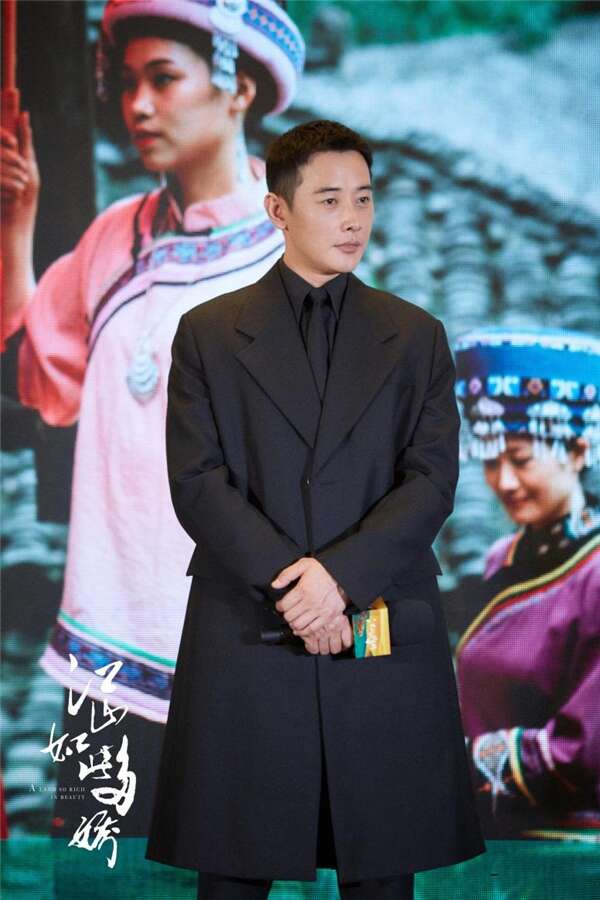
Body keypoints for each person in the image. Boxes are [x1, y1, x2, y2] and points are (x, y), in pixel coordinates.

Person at [146, 119, 484, 900]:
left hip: (378, 618)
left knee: (381, 871)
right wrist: (296, 587)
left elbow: (431, 481)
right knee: (234, 870)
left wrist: (338, 581)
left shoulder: (417, 336)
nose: (353, 219)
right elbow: (197, 481)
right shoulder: (208, 335)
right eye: (330, 200)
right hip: (249, 621)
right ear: (278, 211)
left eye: (364, 198)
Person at [0, 0, 304, 837]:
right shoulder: (111, 241)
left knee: (237, 880)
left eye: (163, 80)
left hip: (246, 666)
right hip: (102, 660)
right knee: (94, 878)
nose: (137, 105)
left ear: (238, 88)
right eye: (129, 82)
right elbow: (36, 376)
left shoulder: (298, 258)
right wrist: (15, 227)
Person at [453, 328, 600, 838]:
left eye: (520, 460)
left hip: (574, 841)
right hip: (494, 829)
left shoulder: (594, 571)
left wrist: (456, 764)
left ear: (577, 451)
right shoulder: (503, 556)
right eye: (492, 462)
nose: (505, 482)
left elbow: (583, 748)